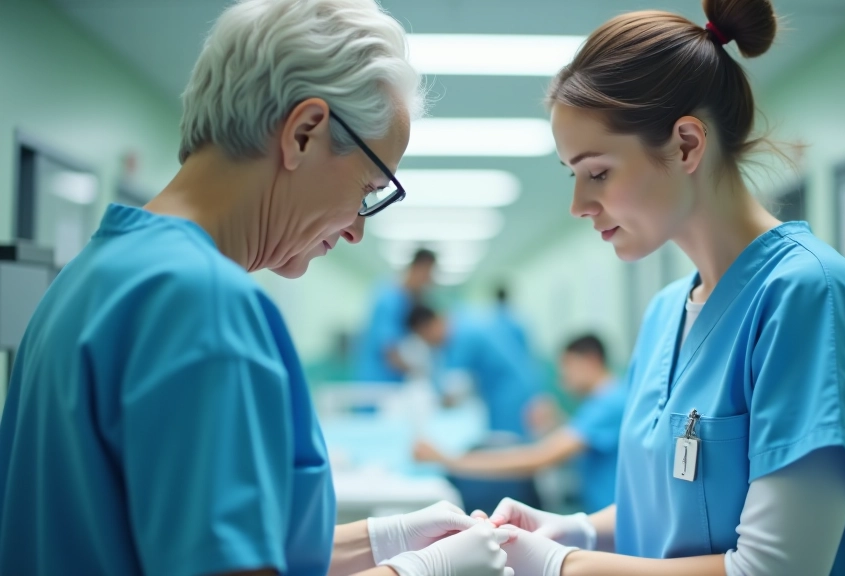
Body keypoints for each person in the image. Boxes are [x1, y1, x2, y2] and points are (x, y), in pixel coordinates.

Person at [0, 1, 513, 575]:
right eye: (369, 188)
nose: (356, 229)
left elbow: (157, 536)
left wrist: (384, 540)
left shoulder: (92, 275)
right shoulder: (202, 303)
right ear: (304, 133)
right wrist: (418, 572)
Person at [492, 2, 845, 576]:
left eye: (597, 173)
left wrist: (564, 564)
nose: (578, 205)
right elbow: (668, 507)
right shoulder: (667, 313)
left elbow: (771, 567)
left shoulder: (811, 300)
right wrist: (579, 528)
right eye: (573, 175)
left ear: (687, 144)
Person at [414, 334, 626, 514]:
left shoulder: (608, 404)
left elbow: (537, 458)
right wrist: (557, 425)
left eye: (567, 368)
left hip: (607, 519)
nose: (563, 380)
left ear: (590, 360)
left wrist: (449, 460)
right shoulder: (607, 400)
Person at [407, 305, 541, 438]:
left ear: (429, 326)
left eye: (424, 337)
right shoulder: (463, 322)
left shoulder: (460, 338)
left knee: (509, 443)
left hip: (509, 394)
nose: (429, 343)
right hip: (518, 384)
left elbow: (452, 391)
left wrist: (435, 403)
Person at [356, 249, 437, 383]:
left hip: (393, 380)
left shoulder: (408, 300)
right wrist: (419, 372)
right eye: (428, 274)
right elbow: (389, 351)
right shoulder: (389, 298)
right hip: (377, 381)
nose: (429, 281)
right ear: (418, 268)